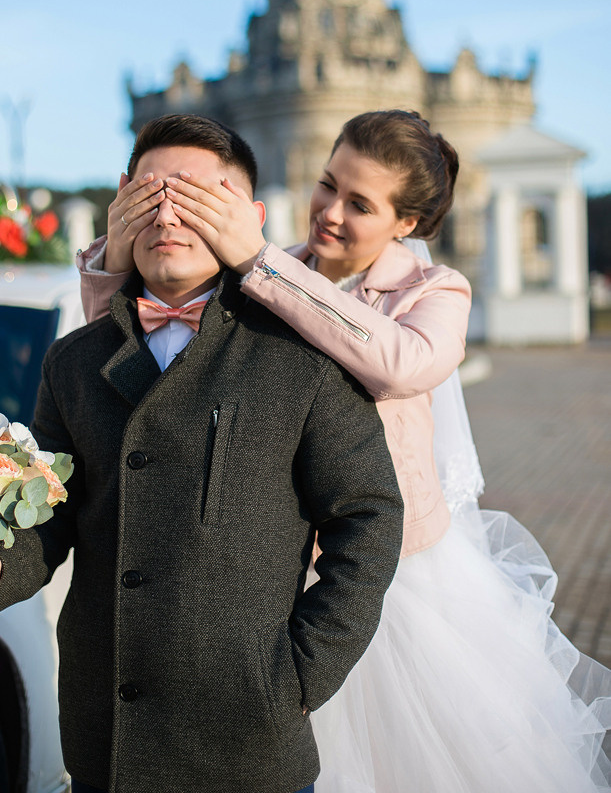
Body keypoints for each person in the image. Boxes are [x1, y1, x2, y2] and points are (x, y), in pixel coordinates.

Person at [74, 108, 611, 791]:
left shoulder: (432, 291)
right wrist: (112, 259)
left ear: (405, 224)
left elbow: (396, 362)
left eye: (359, 203)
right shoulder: (260, 273)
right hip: (265, 576)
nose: (327, 211)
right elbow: (136, 352)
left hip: (388, 583)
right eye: (327, 185)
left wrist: (259, 261)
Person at [0, 114, 406, 793]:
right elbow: (48, 517)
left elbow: (368, 518)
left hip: (249, 738)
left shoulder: (302, 359)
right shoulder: (73, 363)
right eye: (151, 192)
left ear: (247, 218)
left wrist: (300, 673)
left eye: (197, 196)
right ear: (120, 205)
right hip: (106, 730)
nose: (170, 213)